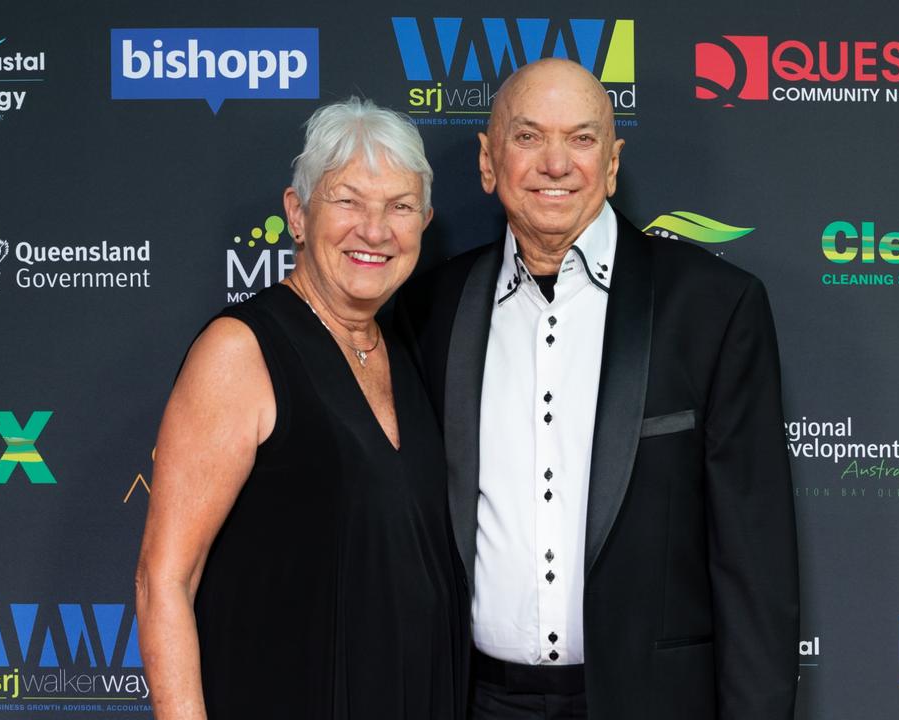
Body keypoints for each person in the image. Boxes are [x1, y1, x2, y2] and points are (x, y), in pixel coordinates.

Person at [394, 58, 799, 719]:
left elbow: (756, 565)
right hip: (477, 701)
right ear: (488, 161)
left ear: (611, 164)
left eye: (581, 138)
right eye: (528, 137)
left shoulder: (715, 308)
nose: (556, 163)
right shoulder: (429, 311)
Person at [134, 97, 468, 720]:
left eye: (399, 206)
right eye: (347, 201)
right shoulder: (241, 351)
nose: (375, 230)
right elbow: (164, 582)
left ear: (423, 222)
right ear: (297, 212)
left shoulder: (407, 353)